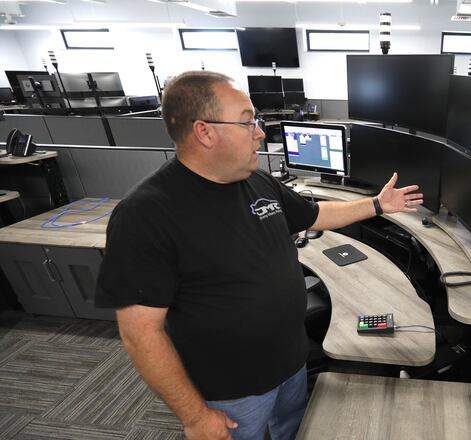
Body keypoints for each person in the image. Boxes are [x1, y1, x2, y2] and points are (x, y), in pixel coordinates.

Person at [95, 70, 423, 440]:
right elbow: (141, 335)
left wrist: (379, 205)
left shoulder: (256, 180)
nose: (261, 132)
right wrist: (195, 416)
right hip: (232, 390)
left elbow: (313, 215)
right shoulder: (146, 214)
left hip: (289, 363)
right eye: (248, 121)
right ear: (205, 131)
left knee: (292, 431)